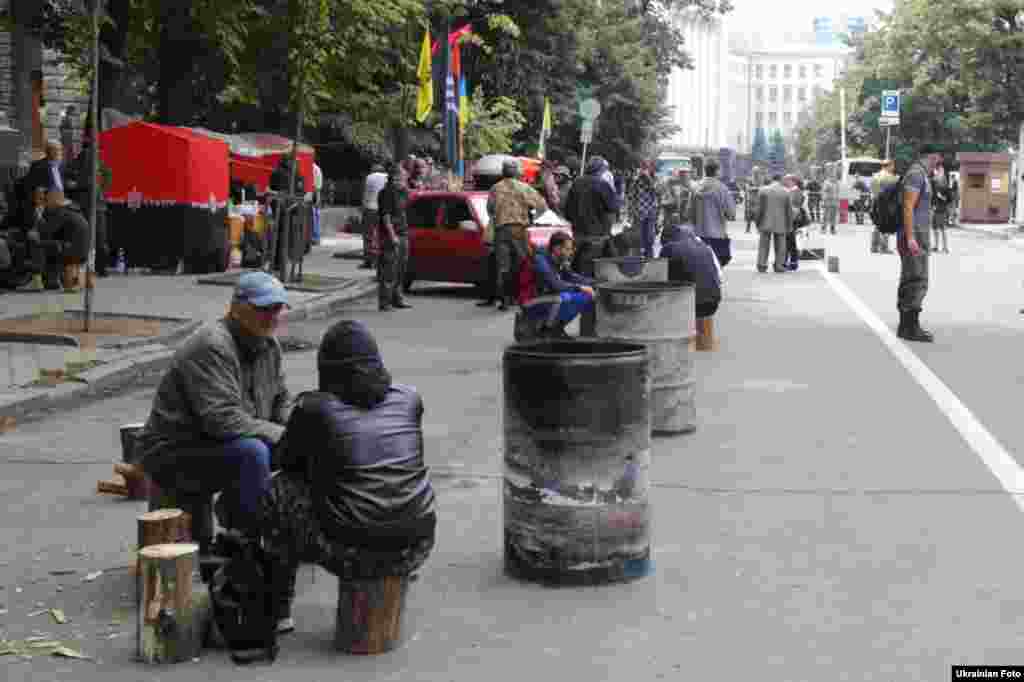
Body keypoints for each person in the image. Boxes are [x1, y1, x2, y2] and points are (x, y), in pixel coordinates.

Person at [261, 320, 436, 634]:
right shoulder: (409, 398)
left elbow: (285, 461)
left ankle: (276, 609)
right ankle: (399, 572)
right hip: (417, 544)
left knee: (279, 490)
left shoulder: (314, 408)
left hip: (353, 552)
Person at [134, 272, 292, 541]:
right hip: (175, 451)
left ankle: (285, 532)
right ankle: (247, 544)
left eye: (277, 308)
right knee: (254, 452)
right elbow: (223, 420)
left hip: (217, 445)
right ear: (238, 309)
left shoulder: (269, 345)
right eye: (264, 309)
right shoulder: (213, 345)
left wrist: (301, 429)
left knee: (307, 447)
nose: (273, 316)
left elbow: (281, 402)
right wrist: (283, 435)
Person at [485, 158, 548, 311]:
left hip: (501, 231)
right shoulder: (524, 188)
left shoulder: (495, 188)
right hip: (520, 231)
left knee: (503, 266)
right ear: (517, 173)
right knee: (521, 264)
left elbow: (490, 210)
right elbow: (542, 206)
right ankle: (518, 297)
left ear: (502, 172)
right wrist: (532, 218)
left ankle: (504, 300)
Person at [897, 146, 942, 342]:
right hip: (914, 235)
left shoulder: (922, 174)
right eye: (938, 159)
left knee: (913, 279)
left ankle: (907, 326)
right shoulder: (916, 174)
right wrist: (910, 237)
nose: (939, 163)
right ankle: (910, 327)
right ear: (932, 157)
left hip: (918, 235)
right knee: (916, 280)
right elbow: (908, 206)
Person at [515, 231, 596, 340]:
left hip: (547, 297)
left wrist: (596, 283)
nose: (571, 252)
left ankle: (557, 328)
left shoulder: (559, 260)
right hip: (529, 300)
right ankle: (547, 331)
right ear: (557, 249)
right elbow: (556, 285)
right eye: (568, 249)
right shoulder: (540, 260)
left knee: (586, 296)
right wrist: (580, 287)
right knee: (563, 298)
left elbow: (573, 277)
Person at [564, 156, 622, 278]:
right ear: (601, 170)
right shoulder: (602, 184)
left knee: (577, 265)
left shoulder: (576, 183)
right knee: (597, 268)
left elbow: (567, 210)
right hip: (597, 234)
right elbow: (614, 207)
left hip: (578, 233)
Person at [658, 224, 722, 321]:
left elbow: (660, 277)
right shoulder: (703, 246)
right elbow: (718, 275)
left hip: (692, 304)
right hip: (713, 303)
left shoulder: (669, 247)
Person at [377, 165, 413, 312]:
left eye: (404, 177)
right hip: (391, 235)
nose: (404, 179)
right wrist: (392, 235)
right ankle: (385, 302)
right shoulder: (386, 193)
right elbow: (386, 217)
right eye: (402, 177)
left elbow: (405, 209)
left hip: (403, 232)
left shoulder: (403, 192)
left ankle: (397, 298)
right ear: (394, 177)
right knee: (389, 269)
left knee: (401, 269)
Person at [38, 190, 90, 292]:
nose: (45, 203)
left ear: (54, 200)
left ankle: (51, 281)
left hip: (73, 251)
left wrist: (39, 216)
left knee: (44, 246)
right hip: (81, 249)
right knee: (52, 245)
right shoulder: (73, 209)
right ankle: (72, 281)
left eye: (46, 200)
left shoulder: (61, 212)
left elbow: (47, 230)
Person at [687, 159, 736, 267]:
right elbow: (731, 214)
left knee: (700, 267)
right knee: (717, 267)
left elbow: (689, 213)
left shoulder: (695, 188)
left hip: (699, 236)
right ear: (717, 171)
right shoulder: (723, 189)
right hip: (718, 236)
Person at [755, 174, 793, 273]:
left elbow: (759, 209)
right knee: (781, 245)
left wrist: (757, 222)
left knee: (763, 244)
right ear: (780, 180)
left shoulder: (763, 190)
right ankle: (779, 265)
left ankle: (762, 265)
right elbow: (789, 211)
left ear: (772, 180)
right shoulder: (786, 192)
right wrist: (789, 225)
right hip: (781, 222)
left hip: (765, 221)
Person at [628, 161, 660, 259]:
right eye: (643, 167)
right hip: (639, 212)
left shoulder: (654, 179)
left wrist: (648, 178)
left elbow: (657, 192)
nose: (645, 169)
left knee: (650, 238)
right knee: (637, 239)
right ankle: (637, 259)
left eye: (647, 167)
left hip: (651, 212)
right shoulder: (636, 180)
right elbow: (631, 196)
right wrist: (632, 211)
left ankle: (649, 258)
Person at [361, 164, 388, 270]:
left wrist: (363, 206)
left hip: (370, 208)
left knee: (368, 235)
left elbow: (365, 194)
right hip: (382, 209)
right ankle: (380, 260)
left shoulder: (369, 177)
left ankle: (369, 260)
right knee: (380, 235)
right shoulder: (387, 177)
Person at [871, 160, 898, 253]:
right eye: (893, 166)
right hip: (886, 203)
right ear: (889, 166)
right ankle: (884, 247)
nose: (893, 168)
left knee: (877, 224)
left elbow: (873, 191)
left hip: (875, 202)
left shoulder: (875, 175)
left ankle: (874, 247)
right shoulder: (891, 178)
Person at [784, 175, 807, 271]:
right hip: (790, 219)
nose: (785, 182)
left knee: (791, 242)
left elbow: (796, 208)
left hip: (793, 219)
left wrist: (790, 219)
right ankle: (788, 262)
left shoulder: (796, 192)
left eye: (787, 180)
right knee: (789, 242)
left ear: (793, 181)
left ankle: (793, 263)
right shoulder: (791, 191)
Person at [931, 162, 952, 254]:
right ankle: (936, 246)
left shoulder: (945, 183)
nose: (939, 172)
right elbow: (932, 195)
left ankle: (945, 247)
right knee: (935, 228)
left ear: (943, 172)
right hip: (935, 208)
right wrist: (932, 205)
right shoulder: (934, 182)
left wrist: (942, 197)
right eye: (938, 170)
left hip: (942, 209)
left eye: (941, 170)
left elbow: (950, 199)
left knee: (943, 228)